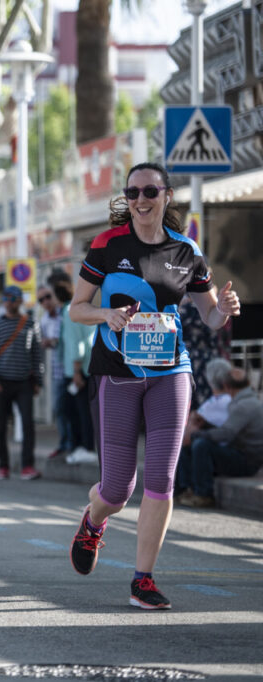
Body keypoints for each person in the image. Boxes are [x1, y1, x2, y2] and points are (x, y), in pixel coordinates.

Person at [67, 161, 241, 611]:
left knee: (161, 479)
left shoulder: (186, 251)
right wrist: (105, 314)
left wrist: (224, 308)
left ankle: (142, 579)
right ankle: (93, 522)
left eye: (149, 192)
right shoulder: (107, 246)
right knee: (117, 490)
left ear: (166, 195)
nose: (140, 201)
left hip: (171, 372)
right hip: (117, 373)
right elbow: (76, 308)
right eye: (133, 193)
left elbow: (209, 316)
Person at [0, 285, 43, 480]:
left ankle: (27, 466)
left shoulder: (30, 323)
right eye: (6, 298)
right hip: (1, 382)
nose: (9, 302)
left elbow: (36, 354)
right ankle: (3, 465)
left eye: (13, 298)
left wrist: (38, 381)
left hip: (24, 382)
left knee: (27, 425)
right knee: (0, 426)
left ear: (20, 301)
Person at [176, 367, 263, 508]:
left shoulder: (243, 405)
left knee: (201, 445)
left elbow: (226, 433)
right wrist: (205, 425)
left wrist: (195, 435)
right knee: (196, 443)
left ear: (227, 387)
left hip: (247, 462)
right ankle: (185, 490)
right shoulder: (249, 400)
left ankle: (204, 495)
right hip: (244, 455)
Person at [55, 278, 97, 465]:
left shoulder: (69, 311)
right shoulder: (83, 308)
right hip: (87, 368)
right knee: (80, 410)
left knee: (73, 411)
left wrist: (76, 371)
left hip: (79, 371)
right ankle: (83, 447)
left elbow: (75, 343)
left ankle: (84, 447)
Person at [37, 285, 69, 458]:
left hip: (72, 368)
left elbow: (68, 338)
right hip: (56, 370)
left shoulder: (65, 314)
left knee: (70, 410)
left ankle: (73, 444)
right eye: (41, 300)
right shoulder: (44, 320)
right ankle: (64, 443)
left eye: (47, 297)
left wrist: (54, 341)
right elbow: (44, 341)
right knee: (59, 408)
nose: (46, 302)